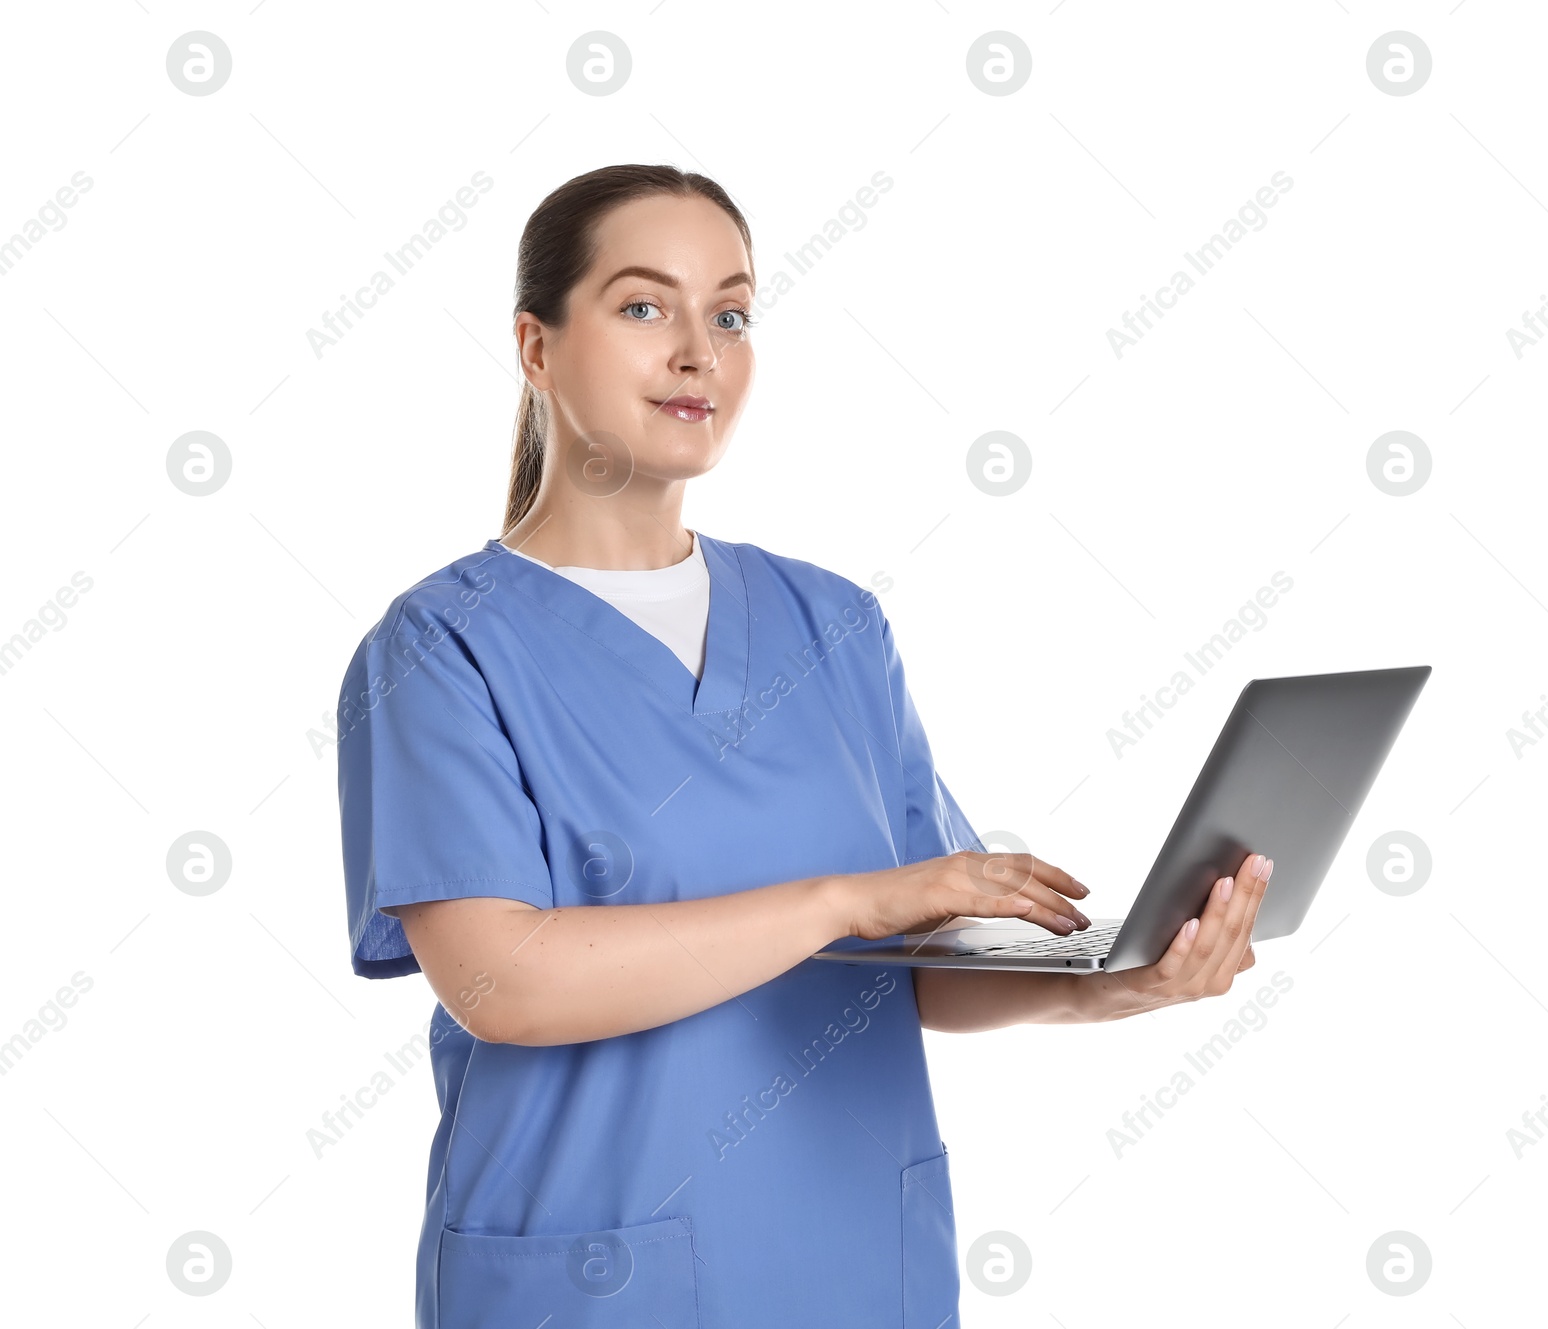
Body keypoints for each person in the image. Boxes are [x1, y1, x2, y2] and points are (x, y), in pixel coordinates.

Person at [335, 163, 1272, 1329]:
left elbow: (918, 966)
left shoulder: (832, 625)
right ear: (536, 347)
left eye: (728, 313)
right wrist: (849, 899)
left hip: (854, 1263)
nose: (698, 352)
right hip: (596, 1276)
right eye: (642, 308)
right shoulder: (443, 646)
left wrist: (1113, 987)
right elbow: (500, 982)